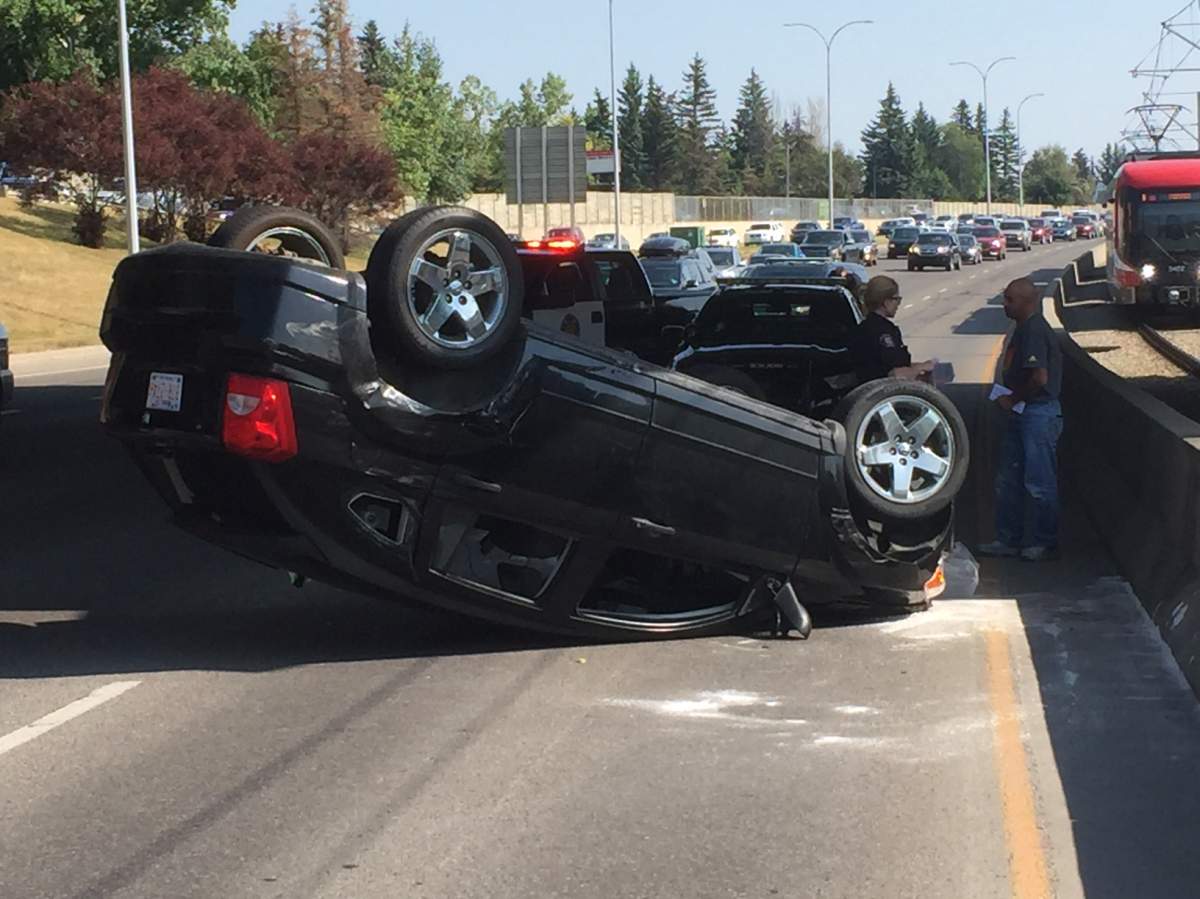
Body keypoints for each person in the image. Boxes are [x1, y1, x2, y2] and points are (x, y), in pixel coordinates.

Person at [979, 277, 1064, 562]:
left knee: (1038, 481)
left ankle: (1044, 541)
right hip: (1024, 413)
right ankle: (1008, 539)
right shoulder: (1022, 328)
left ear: (1027, 302)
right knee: (1008, 479)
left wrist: (1013, 399)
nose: (1004, 304)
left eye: (1009, 299)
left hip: (1037, 413)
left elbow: (1039, 378)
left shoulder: (1034, 331)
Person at [850, 275, 934, 383]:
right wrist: (920, 368)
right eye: (896, 299)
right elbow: (891, 374)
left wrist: (918, 367)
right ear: (885, 302)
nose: (898, 304)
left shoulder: (865, 327)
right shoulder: (881, 332)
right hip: (881, 395)